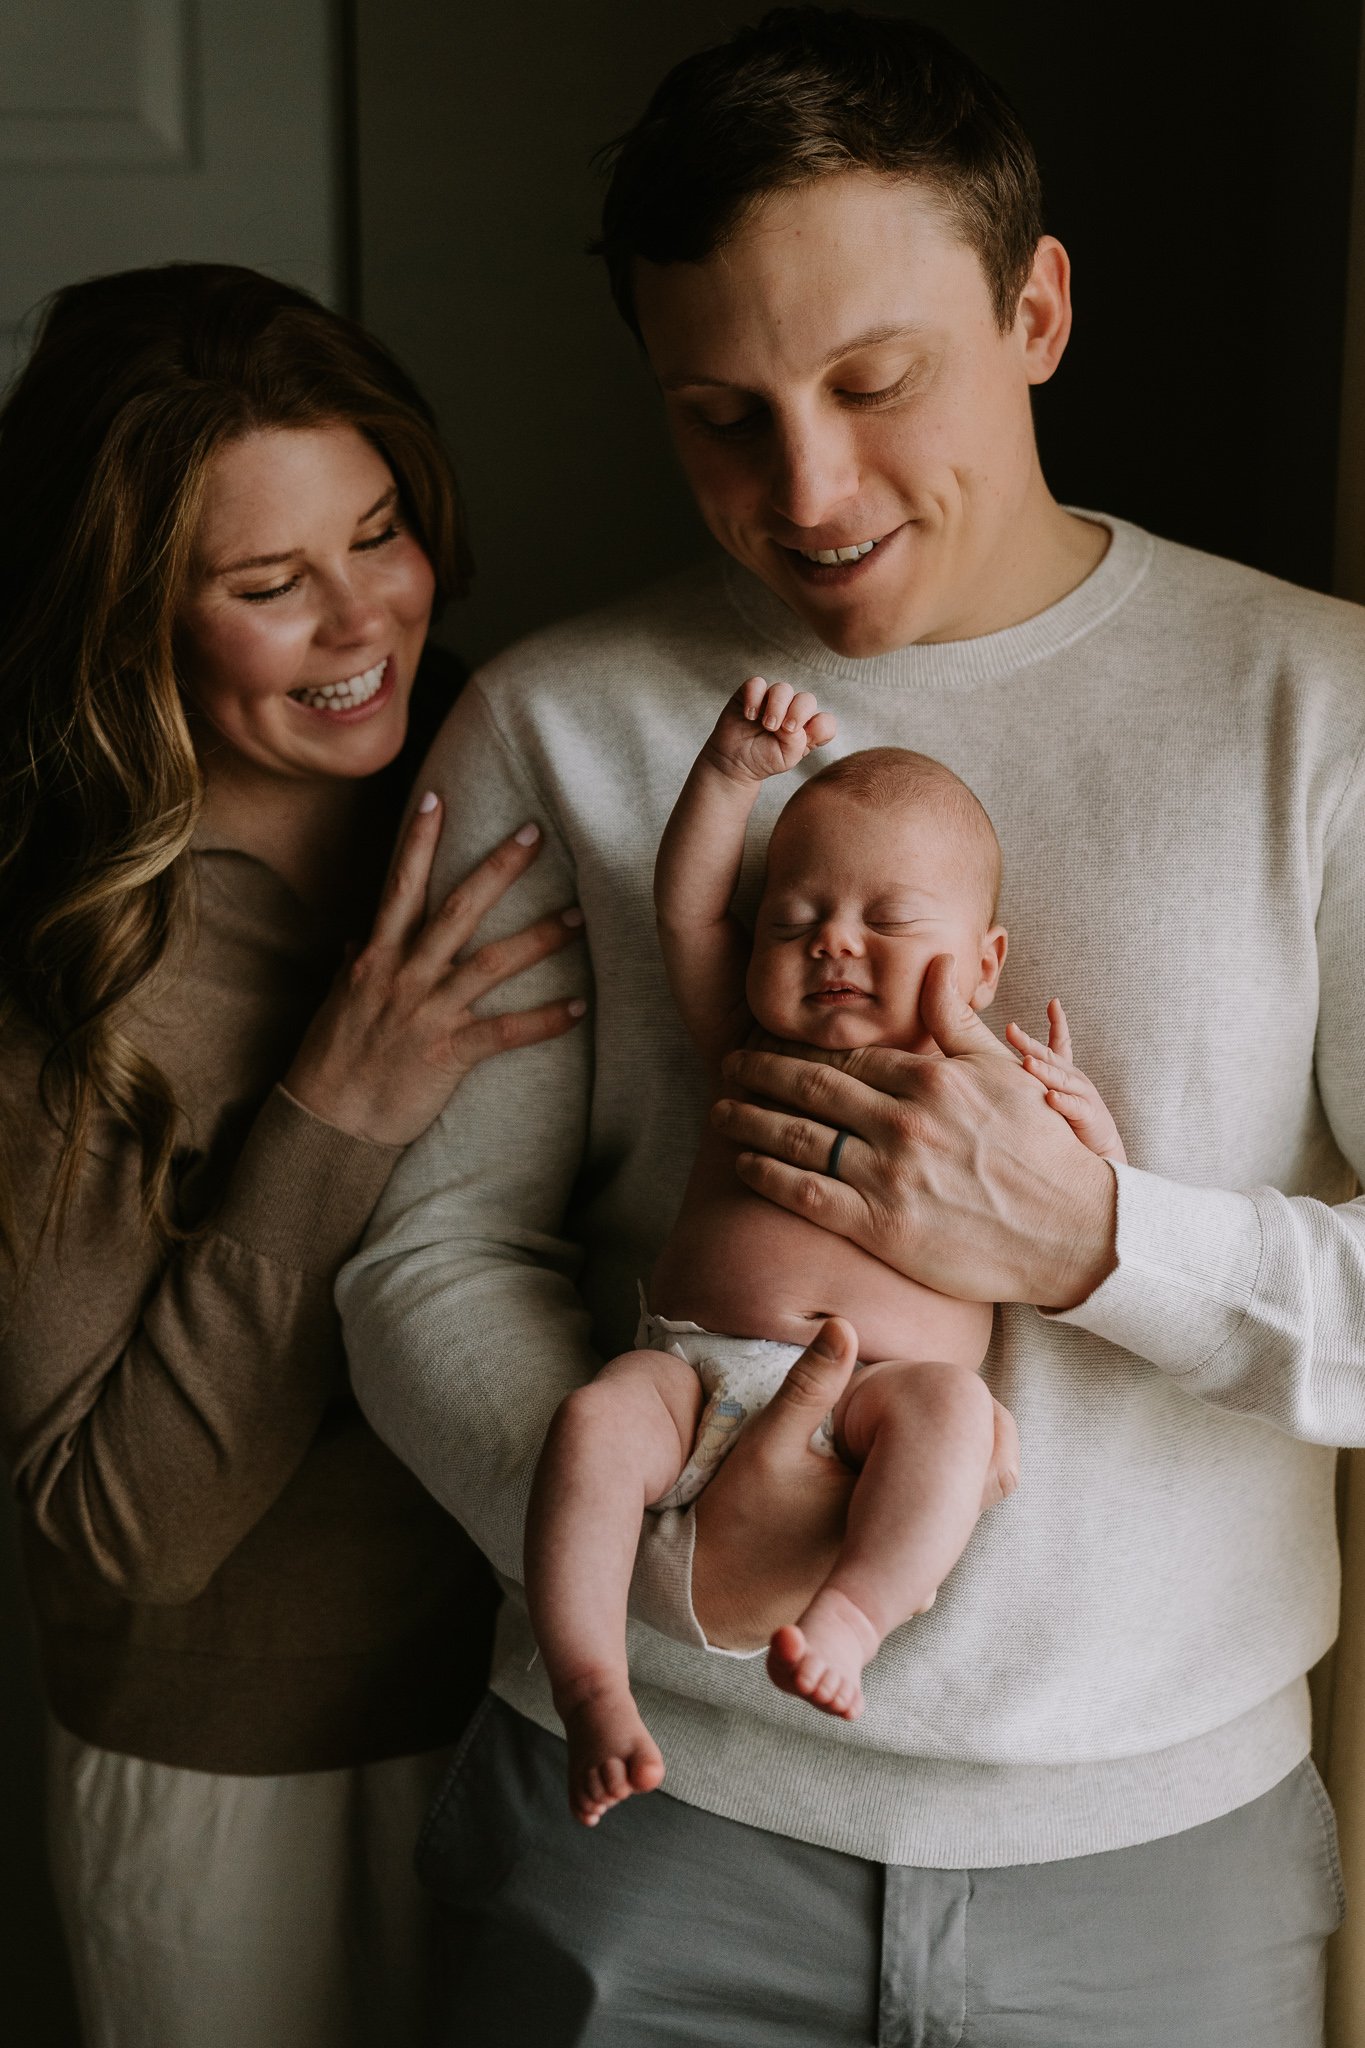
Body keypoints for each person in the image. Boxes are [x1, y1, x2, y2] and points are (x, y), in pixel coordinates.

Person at [339, 10, 1362, 2042]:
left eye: (872, 384)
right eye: (716, 412)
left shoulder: (1317, 716)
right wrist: (661, 1549)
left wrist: (1094, 1245)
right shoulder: (567, 720)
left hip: (1148, 1873)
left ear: (1038, 308)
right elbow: (424, 1256)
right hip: (636, 1829)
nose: (801, 490)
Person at [0, 262, 584, 2048]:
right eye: (270, 585)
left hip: (570, 1716)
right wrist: (331, 1116)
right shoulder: (69, 962)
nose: (364, 621)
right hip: (245, 1776)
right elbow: (117, 1531)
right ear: (126, 619)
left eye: (381, 531)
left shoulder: (519, 769)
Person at [527, 681, 1126, 1823]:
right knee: (593, 1420)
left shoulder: (992, 1094)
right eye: (797, 919)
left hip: (875, 1400)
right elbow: (691, 916)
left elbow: (1083, 1212)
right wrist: (727, 779)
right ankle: (592, 1679)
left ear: (985, 960)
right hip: (688, 1376)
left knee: (953, 1415)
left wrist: (1089, 1138)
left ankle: (853, 1613)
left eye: (888, 921)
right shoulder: (749, 1042)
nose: (835, 941)